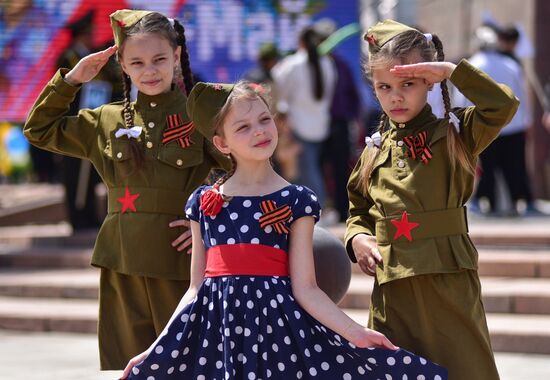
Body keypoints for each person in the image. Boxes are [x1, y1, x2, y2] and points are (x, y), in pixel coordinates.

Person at [120, 80, 447, 379]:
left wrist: (355, 332)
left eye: (264, 119)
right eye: (243, 127)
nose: (260, 131)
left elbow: (306, 288)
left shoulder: (296, 200)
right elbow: (194, 289)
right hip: (217, 333)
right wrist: (158, 347)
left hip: (277, 331)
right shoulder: (203, 202)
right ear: (221, 143)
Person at [23, 10, 229, 370]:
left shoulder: (202, 113)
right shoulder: (105, 120)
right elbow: (39, 129)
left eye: (159, 59)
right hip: (121, 262)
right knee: (127, 366)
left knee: (187, 364)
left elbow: (247, 171)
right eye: (137, 61)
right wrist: (71, 80)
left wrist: (212, 216)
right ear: (121, 63)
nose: (149, 71)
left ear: (177, 56)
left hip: (181, 261)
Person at [345, 20, 519, 380]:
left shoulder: (455, 133)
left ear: (428, 81)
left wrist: (453, 72)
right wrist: (357, 238)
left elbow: (503, 105)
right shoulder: (373, 151)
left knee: (465, 368)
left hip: (447, 280)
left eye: (408, 84)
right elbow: (358, 210)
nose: (396, 96)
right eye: (384, 86)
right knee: (396, 370)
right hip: (392, 286)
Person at [455, 25, 536, 215]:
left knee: (486, 166)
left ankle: (484, 200)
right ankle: (522, 200)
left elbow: (462, 99)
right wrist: (527, 121)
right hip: (513, 124)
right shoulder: (511, 65)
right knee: (515, 166)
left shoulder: (471, 65)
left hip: (484, 126)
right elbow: (522, 96)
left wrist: (461, 124)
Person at [272, 26, 336, 208]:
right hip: (321, 124)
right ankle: (316, 206)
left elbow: (278, 85)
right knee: (313, 167)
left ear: (300, 42)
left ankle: (318, 206)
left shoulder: (292, 64)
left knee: (307, 171)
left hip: (298, 125)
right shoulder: (327, 63)